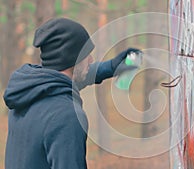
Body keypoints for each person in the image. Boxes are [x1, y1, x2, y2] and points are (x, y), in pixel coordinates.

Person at [3, 17, 140, 169]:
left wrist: (111, 66)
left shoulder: (28, 90)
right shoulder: (66, 115)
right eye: (86, 54)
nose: (91, 59)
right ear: (72, 58)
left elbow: (72, 77)